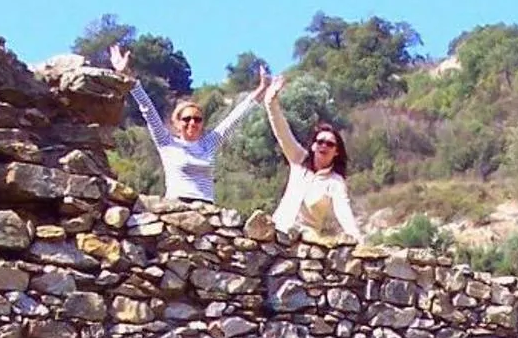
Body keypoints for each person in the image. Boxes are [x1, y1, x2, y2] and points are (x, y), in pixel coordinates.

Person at [112, 44, 264, 204]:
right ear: (176, 123)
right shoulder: (166, 142)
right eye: (187, 119)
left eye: (197, 119)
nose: (192, 123)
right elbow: (148, 110)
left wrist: (261, 90)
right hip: (177, 207)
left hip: (207, 210)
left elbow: (234, 119)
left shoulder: (209, 144)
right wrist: (128, 76)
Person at [263, 75, 362, 242]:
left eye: (330, 144)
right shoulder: (298, 159)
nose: (324, 146)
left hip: (304, 243)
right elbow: (282, 131)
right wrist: (271, 101)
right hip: (276, 234)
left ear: (336, 151)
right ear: (314, 145)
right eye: (320, 142)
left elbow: (344, 212)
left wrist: (358, 239)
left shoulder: (335, 183)